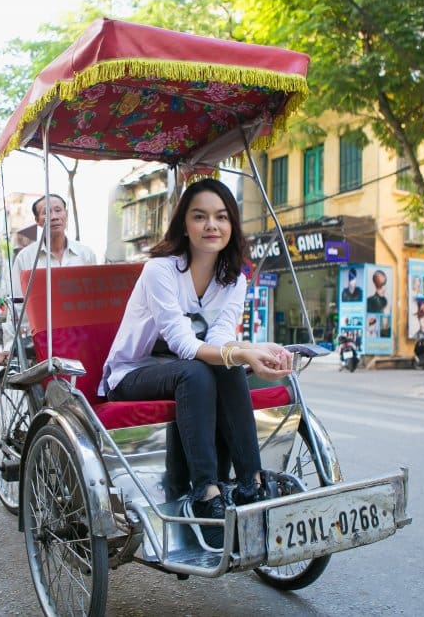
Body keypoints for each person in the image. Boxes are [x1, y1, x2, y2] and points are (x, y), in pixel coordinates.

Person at [100, 178, 293, 552]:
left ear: (232, 224)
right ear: (184, 225)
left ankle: (251, 485)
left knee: (225, 366)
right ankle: (205, 493)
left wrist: (251, 350)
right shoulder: (159, 270)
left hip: (190, 371)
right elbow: (183, 343)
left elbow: (220, 337)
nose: (212, 226)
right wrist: (241, 351)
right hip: (134, 372)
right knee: (199, 369)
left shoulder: (235, 276)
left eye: (221, 217)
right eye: (200, 217)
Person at [0, 193, 98, 365]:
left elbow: (94, 301)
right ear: (38, 220)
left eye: (58, 210)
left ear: (66, 214)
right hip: (40, 339)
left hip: (80, 338)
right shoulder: (26, 258)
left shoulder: (86, 255)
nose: (54, 216)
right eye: (46, 212)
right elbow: (16, 306)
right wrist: (8, 346)